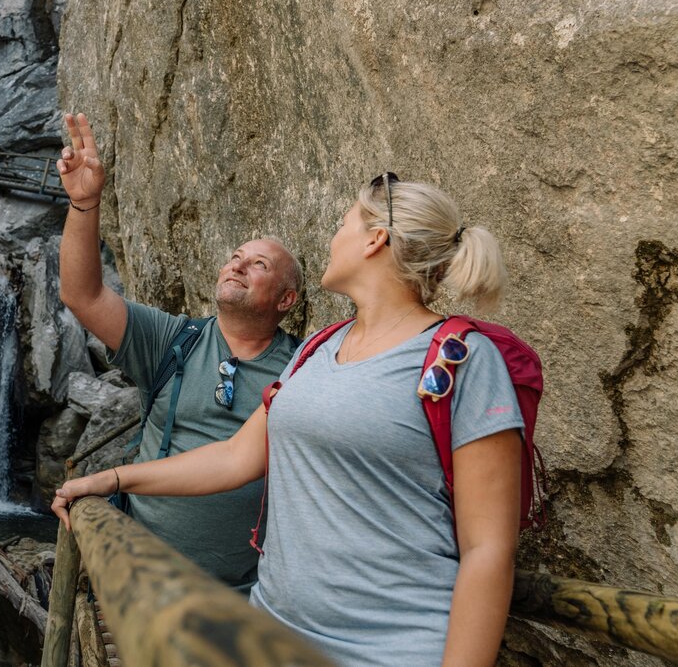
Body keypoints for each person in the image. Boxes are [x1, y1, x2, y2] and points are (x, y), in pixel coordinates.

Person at [53, 172, 524, 667]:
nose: (332, 237)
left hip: (392, 648)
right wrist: (111, 478)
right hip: (270, 638)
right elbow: (236, 457)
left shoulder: (464, 360)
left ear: (375, 240)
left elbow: (488, 551)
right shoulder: (319, 351)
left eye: (343, 224)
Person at [55, 112, 301, 591]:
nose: (238, 266)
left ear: (285, 300)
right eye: (235, 257)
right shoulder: (175, 339)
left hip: (237, 595)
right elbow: (81, 296)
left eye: (258, 264)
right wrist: (85, 205)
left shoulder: (301, 368)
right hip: (137, 576)